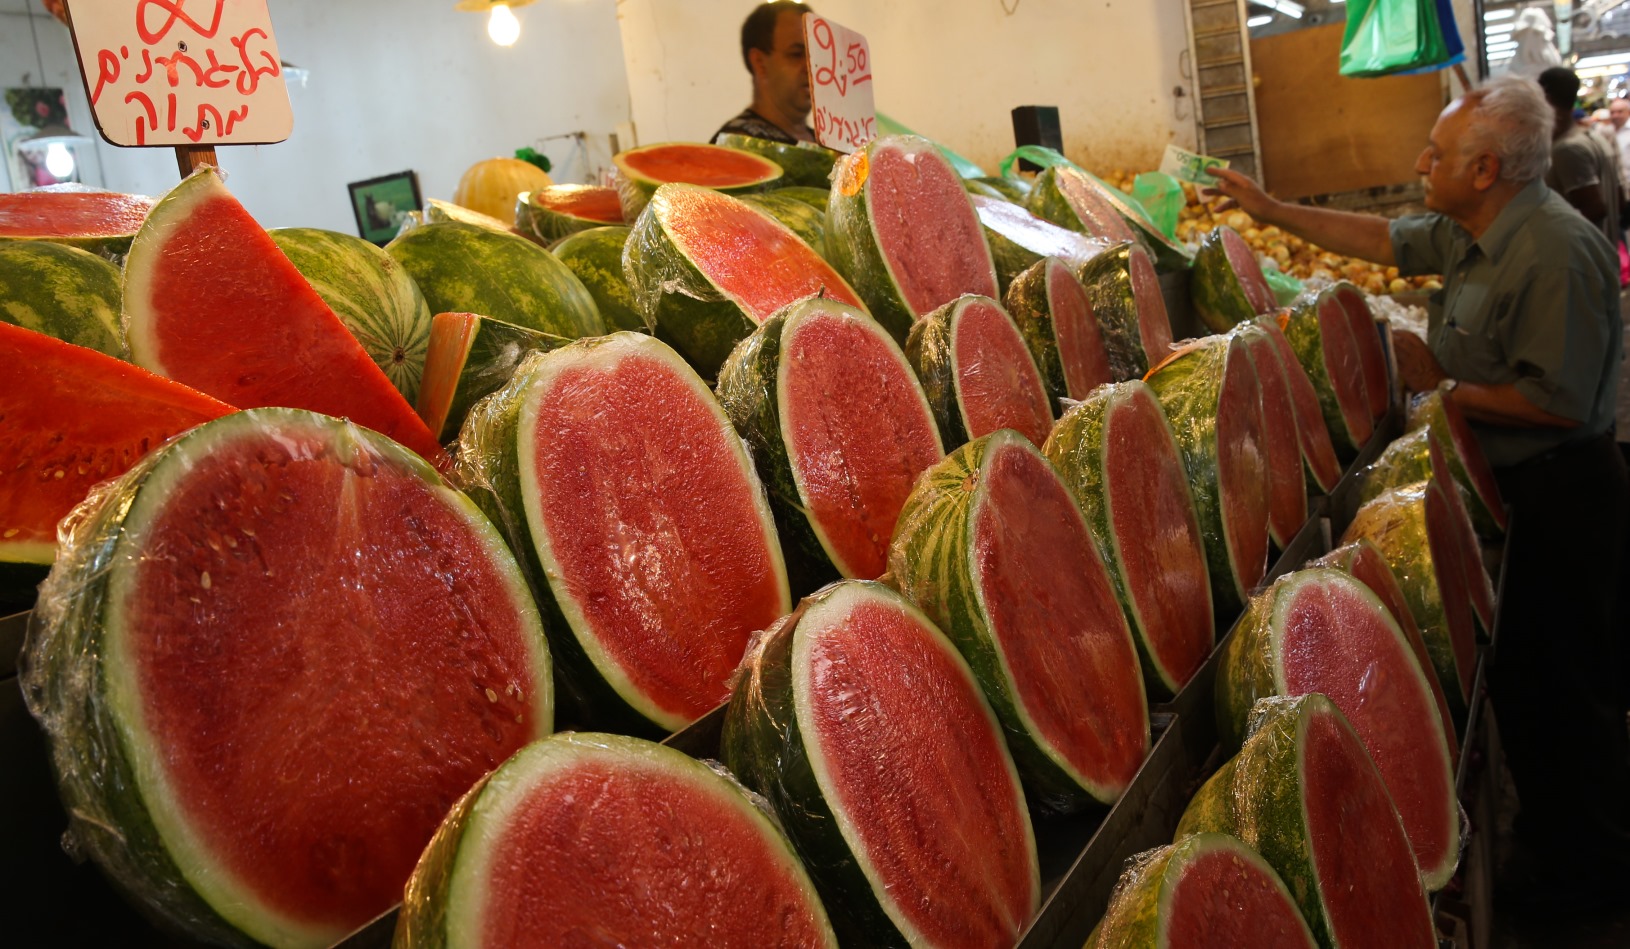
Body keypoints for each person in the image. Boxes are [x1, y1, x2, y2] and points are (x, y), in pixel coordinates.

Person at [1208, 76, 1629, 913]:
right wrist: (1269, 208)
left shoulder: (1553, 250)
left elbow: (1561, 401)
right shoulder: (1472, 229)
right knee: (1526, 686)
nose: (1417, 163)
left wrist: (1446, 386)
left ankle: (1596, 880)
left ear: (1482, 169)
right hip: (1501, 485)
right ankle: (1555, 848)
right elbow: (1378, 237)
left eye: (1434, 154)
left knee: (1570, 693)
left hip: (1565, 496)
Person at [1537, 67, 1621, 248]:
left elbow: (1595, 209)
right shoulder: (1594, 137)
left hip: (1587, 258)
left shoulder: (1568, 148)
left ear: (1546, 99)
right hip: (1604, 253)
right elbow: (1619, 198)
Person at [713, 3, 815, 145]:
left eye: (816, 56)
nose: (811, 67)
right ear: (759, 63)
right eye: (796, 54)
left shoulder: (829, 145)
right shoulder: (736, 142)